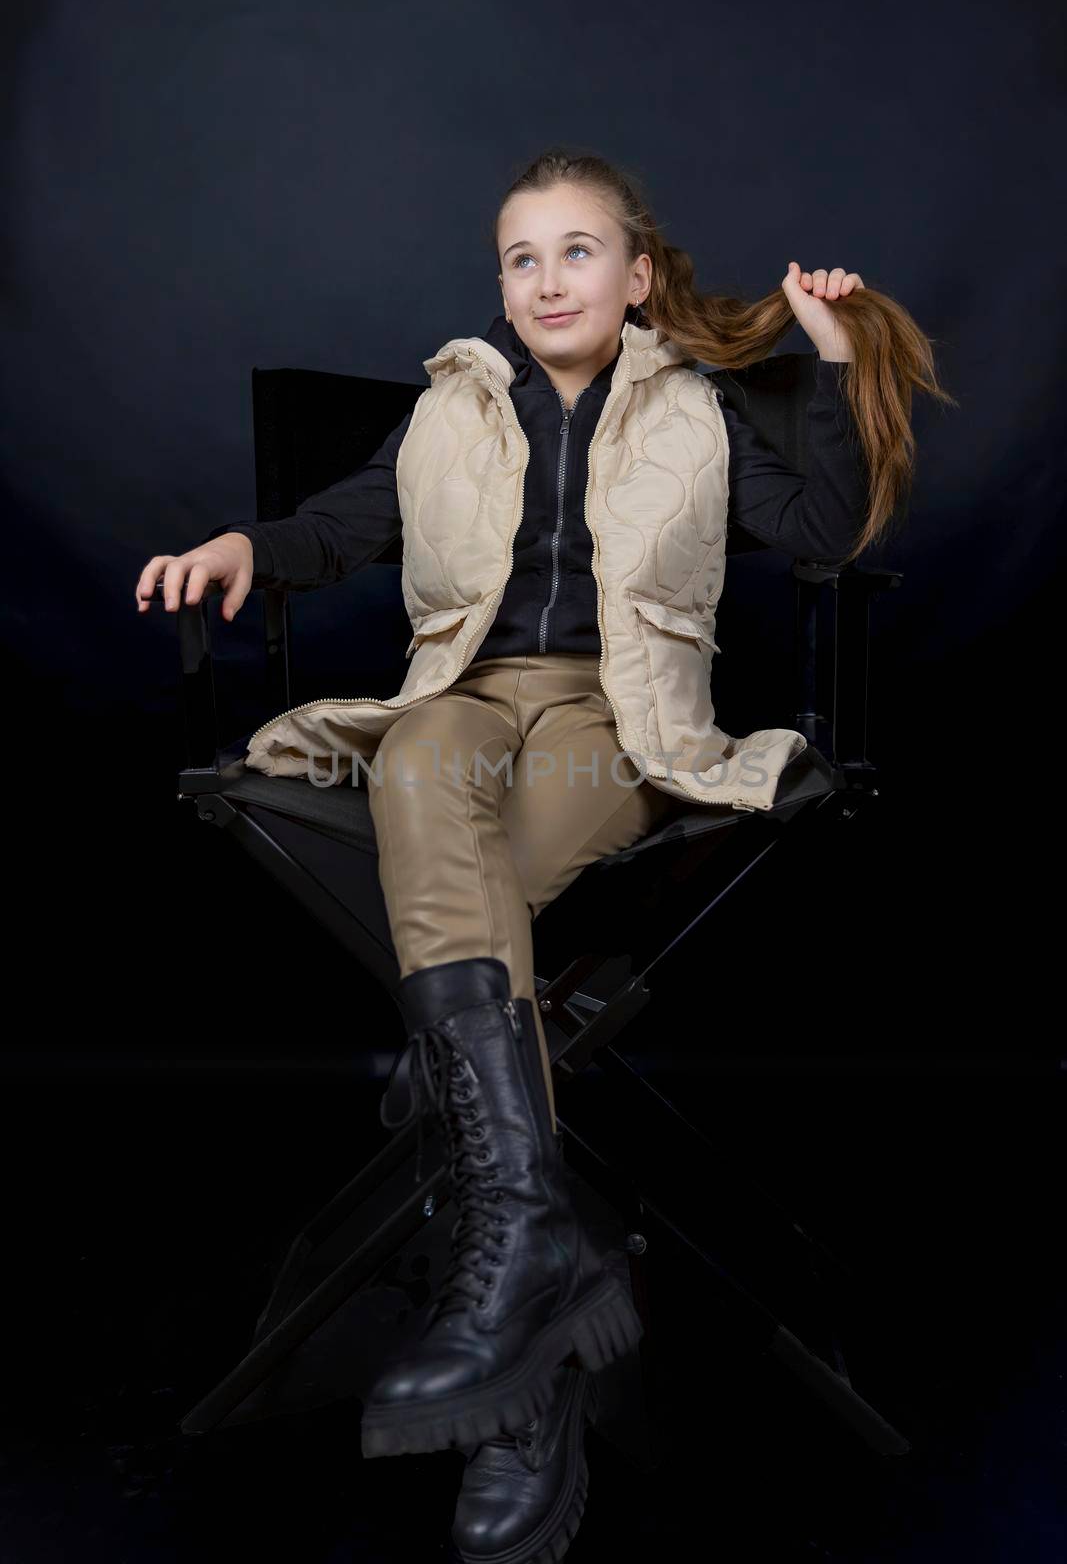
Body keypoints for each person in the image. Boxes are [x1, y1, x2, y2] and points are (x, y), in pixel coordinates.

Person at [136, 149, 954, 1564]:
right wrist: (243, 545)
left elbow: (826, 528)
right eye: (524, 258)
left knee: (451, 860)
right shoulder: (452, 410)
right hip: (457, 699)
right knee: (418, 767)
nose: (550, 278)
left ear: (637, 278)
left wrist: (825, 352)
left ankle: (502, 1285)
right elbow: (349, 526)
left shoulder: (696, 411)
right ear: (502, 289)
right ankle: (532, 1249)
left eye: (581, 252)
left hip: (617, 722)